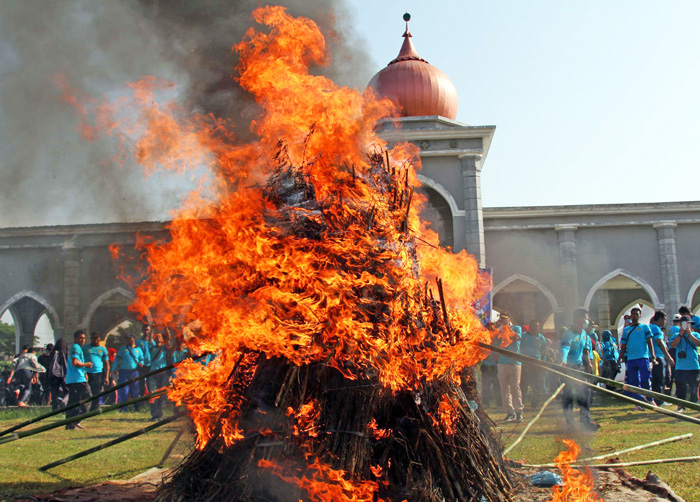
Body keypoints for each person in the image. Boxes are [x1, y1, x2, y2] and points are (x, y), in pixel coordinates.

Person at [560, 308, 598, 430]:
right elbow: (565, 348)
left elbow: (586, 350)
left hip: (579, 367)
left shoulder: (584, 335)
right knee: (569, 396)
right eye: (585, 319)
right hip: (568, 368)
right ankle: (570, 424)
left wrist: (589, 364)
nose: (587, 321)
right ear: (578, 319)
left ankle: (585, 420)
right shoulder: (568, 334)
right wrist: (563, 360)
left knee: (584, 393)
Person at [618, 307, 657, 410]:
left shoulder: (645, 327)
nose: (635, 316)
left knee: (645, 379)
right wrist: (619, 359)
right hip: (631, 359)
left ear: (640, 316)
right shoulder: (626, 330)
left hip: (643, 357)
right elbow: (623, 346)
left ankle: (649, 399)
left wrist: (652, 355)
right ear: (630, 316)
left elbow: (650, 342)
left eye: (637, 314)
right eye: (633, 314)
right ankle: (638, 403)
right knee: (634, 382)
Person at [668, 315, 700, 412]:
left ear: (690, 324)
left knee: (693, 387)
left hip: (693, 366)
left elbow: (698, 343)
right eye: (683, 324)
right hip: (681, 367)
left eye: (687, 324)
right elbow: (673, 345)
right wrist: (680, 335)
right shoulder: (676, 335)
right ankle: (681, 406)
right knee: (680, 387)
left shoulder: (695, 334)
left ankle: (694, 405)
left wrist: (690, 334)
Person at [496, 316, 523, 423]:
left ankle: (519, 412)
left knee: (515, 387)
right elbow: (496, 340)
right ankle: (509, 412)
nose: (503, 320)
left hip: (514, 362)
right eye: (501, 318)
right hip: (502, 362)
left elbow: (517, 337)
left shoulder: (516, 328)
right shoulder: (499, 330)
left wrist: (507, 328)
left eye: (505, 318)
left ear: (509, 319)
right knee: (504, 388)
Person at [65, 330, 93, 429]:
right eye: (80, 338)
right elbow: (75, 362)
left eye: (84, 338)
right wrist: (86, 364)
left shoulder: (78, 348)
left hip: (76, 378)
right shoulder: (75, 347)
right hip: (77, 379)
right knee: (88, 397)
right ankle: (76, 420)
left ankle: (70, 424)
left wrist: (84, 371)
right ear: (75, 338)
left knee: (73, 402)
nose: (82, 340)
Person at [112, 335, 145, 412]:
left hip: (134, 372)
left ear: (134, 339)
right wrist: (113, 368)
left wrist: (141, 363)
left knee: (135, 391)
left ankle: (136, 408)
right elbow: (117, 359)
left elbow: (142, 359)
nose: (128, 340)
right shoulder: (123, 349)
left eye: (130, 338)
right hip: (124, 371)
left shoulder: (138, 349)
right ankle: (123, 408)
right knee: (124, 391)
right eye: (127, 339)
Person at [648, 311, 674, 406]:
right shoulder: (657, 329)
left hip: (651, 357)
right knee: (659, 380)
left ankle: (656, 400)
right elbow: (659, 342)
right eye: (665, 319)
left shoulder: (649, 327)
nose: (665, 322)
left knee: (654, 381)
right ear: (660, 319)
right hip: (658, 357)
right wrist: (669, 357)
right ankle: (659, 401)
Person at [519, 320, 547, 407]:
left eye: (537, 326)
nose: (536, 328)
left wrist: (543, 361)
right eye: (534, 326)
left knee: (537, 385)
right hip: (525, 364)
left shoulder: (541, 338)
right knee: (524, 385)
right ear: (530, 327)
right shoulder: (523, 336)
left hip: (537, 364)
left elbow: (544, 350)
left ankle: (535, 403)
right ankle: (521, 403)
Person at [83, 332, 110, 412]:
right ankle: (85, 408)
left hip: (98, 373)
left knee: (97, 391)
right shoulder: (85, 348)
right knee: (87, 391)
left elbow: (106, 363)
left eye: (97, 339)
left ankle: (94, 408)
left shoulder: (103, 349)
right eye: (93, 338)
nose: (95, 340)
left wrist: (107, 376)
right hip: (87, 372)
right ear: (91, 339)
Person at [147, 333, 170, 420]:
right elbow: (149, 339)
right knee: (153, 394)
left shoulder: (165, 348)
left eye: (160, 336)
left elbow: (168, 338)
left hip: (163, 373)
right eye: (156, 336)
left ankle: (159, 415)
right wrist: (152, 328)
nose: (158, 337)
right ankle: (154, 415)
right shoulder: (152, 347)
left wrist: (166, 326)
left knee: (161, 394)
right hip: (153, 373)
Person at [47, 339, 69, 410]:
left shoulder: (53, 352)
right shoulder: (65, 352)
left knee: (54, 392)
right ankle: (64, 402)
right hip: (63, 374)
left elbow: (48, 363)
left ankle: (55, 408)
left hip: (53, 375)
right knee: (68, 390)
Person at [135, 324, 154, 398]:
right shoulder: (138, 342)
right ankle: (142, 398)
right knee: (141, 381)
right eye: (145, 330)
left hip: (150, 365)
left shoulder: (152, 342)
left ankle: (150, 398)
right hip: (141, 365)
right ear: (142, 331)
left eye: (148, 330)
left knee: (150, 382)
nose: (146, 332)